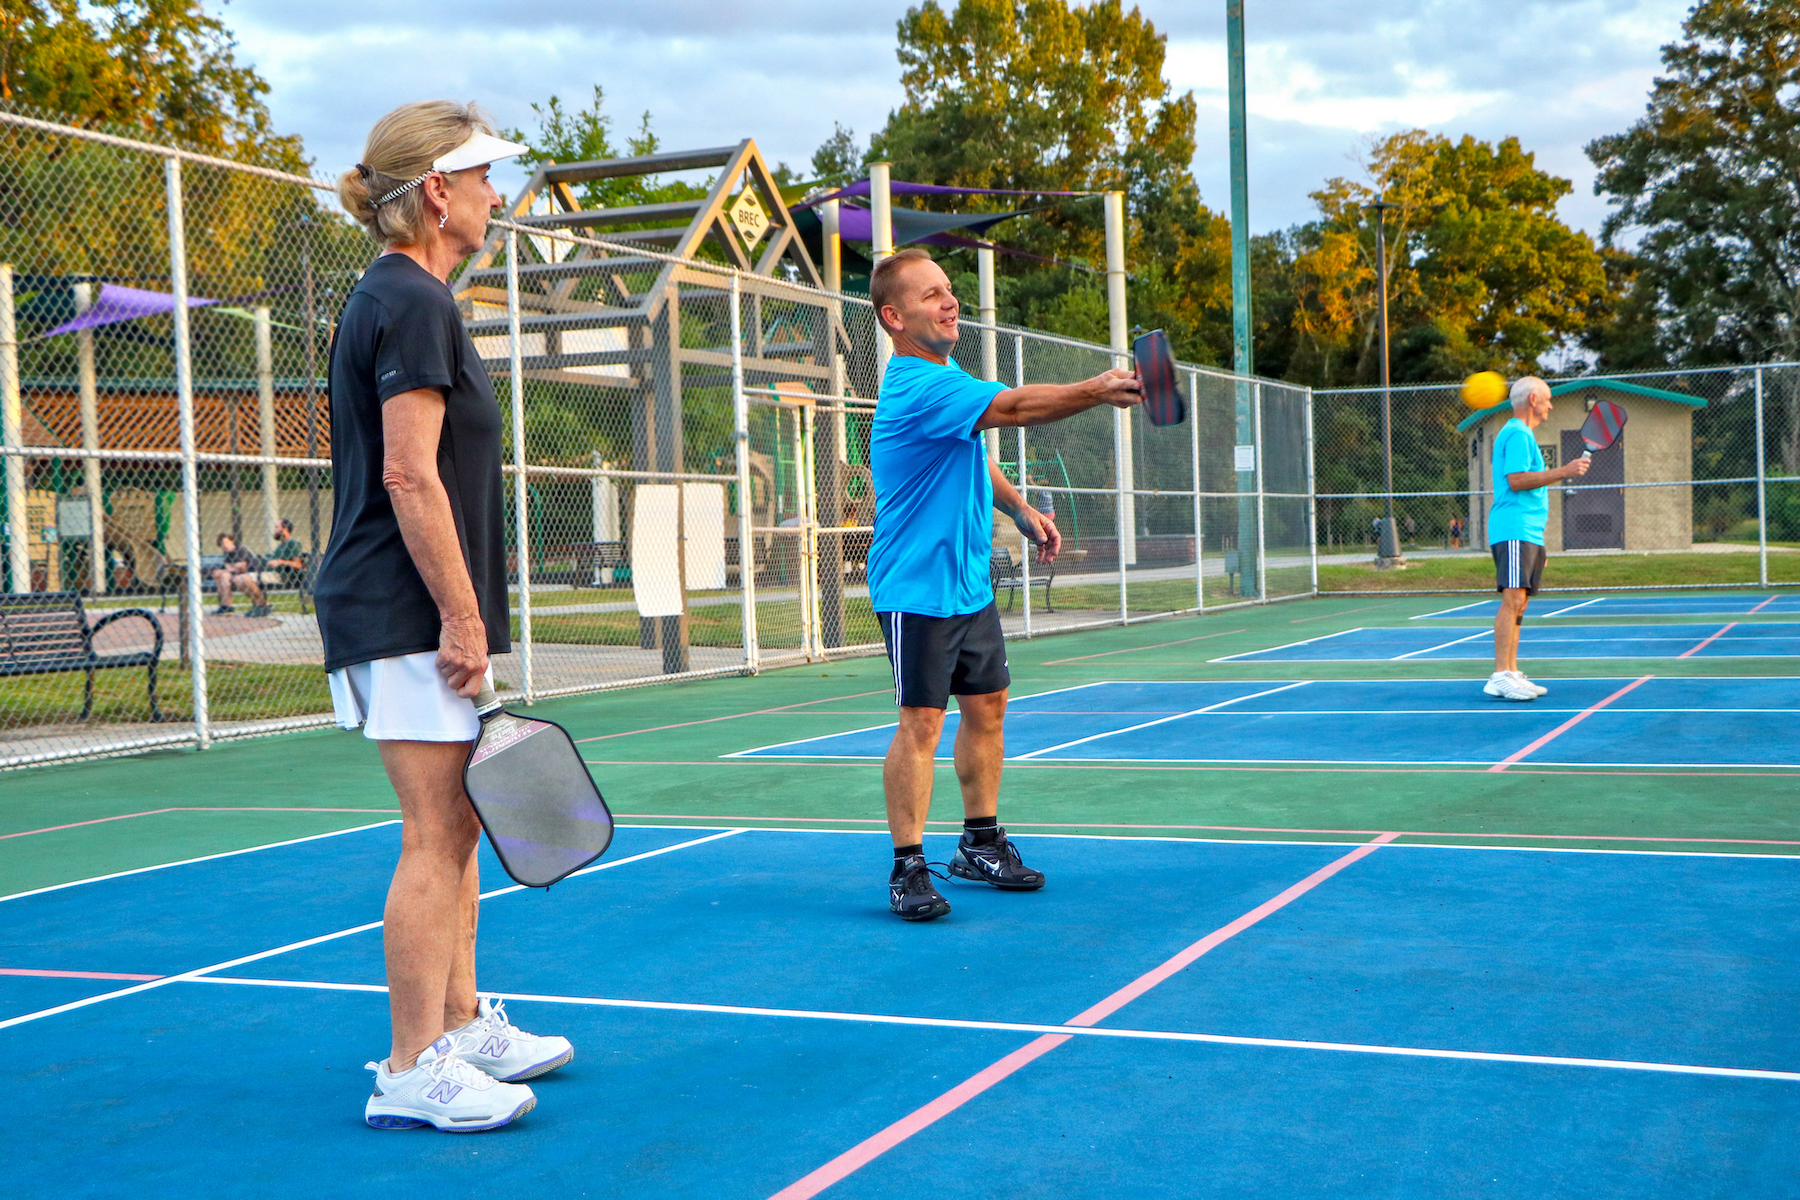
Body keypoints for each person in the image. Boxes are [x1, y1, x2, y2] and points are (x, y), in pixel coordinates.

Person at [318, 100, 567, 1133]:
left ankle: (459, 1023)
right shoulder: (413, 302)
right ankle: (411, 1065)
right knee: (435, 830)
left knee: (459, 824)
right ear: (435, 193)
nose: (493, 196)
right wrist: (463, 620)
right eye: (480, 178)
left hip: (411, 606)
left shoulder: (410, 296)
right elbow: (412, 480)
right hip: (402, 606)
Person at [868, 248, 1142, 921]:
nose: (949, 300)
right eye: (931, 294)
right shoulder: (914, 386)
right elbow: (1015, 407)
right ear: (893, 316)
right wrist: (1095, 390)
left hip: (966, 581)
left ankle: (980, 843)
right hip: (916, 587)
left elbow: (973, 448)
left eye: (949, 289)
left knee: (988, 708)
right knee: (922, 722)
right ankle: (907, 868)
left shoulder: (945, 373)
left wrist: (1019, 510)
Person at [1485, 376, 1589, 702]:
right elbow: (1516, 481)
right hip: (1513, 528)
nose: (1550, 405)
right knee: (1512, 599)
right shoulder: (1516, 433)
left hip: (1528, 531)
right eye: (1547, 399)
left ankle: (1511, 672)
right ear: (1533, 399)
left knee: (1522, 601)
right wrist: (1564, 470)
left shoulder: (1522, 434)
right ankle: (1500, 674)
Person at [211, 532, 267, 617]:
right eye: (222, 544)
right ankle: (226, 606)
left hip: (254, 572)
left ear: (232, 541)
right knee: (221, 576)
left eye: (226, 542)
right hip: (240, 575)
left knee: (233, 577)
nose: (225, 545)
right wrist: (225, 570)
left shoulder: (240, 549)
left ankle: (262, 604)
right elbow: (230, 568)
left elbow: (242, 567)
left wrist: (229, 568)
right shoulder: (227, 554)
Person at [266, 517, 306, 589]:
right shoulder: (281, 545)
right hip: (270, 574)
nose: (274, 530)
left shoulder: (292, 543)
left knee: (246, 578)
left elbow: (298, 564)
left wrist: (280, 561)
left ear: (285, 529)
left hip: (279, 576)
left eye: (277, 527)